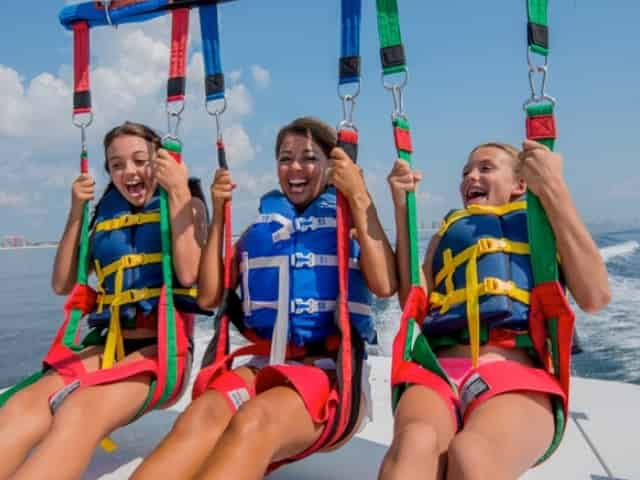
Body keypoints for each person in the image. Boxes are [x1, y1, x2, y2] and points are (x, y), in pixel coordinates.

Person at [132, 116, 398, 479]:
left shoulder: (349, 219)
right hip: (263, 363)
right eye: (285, 158)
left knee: (254, 420)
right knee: (201, 415)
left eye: (308, 157)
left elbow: (385, 285)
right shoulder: (260, 230)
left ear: (330, 165)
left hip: (330, 373)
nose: (295, 168)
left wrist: (359, 194)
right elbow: (209, 296)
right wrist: (219, 212)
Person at [379, 140, 611, 479]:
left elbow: (596, 296)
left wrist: (553, 188)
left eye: (485, 168)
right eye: (465, 172)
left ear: (520, 183)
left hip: (514, 373)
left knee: (471, 454)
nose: (470, 177)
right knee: (415, 442)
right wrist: (403, 208)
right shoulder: (446, 233)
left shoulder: (543, 228)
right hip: (439, 372)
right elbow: (414, 304)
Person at [0, 121, 207, 480]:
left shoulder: (185, 201)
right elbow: (62, 283)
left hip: (161, 352)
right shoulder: (104, 212)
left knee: (80, 411)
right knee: (22, 405)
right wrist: (76, 212)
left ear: (159, 161)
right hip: (107, 346)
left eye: (139, 160)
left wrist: (177, 194)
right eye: (116, 164)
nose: (129, 171)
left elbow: (190, 274)